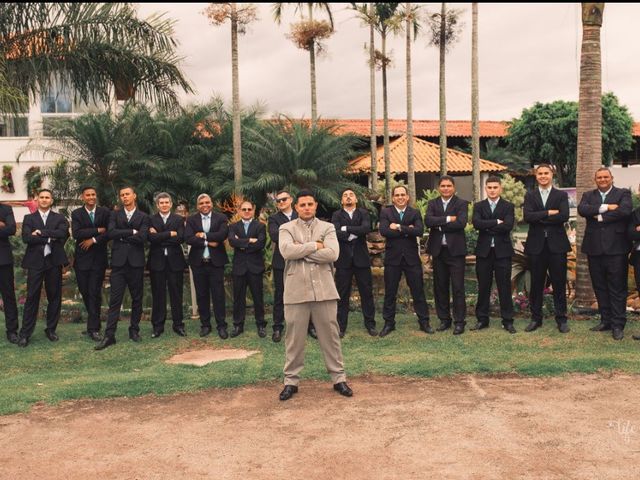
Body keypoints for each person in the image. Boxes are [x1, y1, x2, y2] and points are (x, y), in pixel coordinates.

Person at [278, 190, 352, 401]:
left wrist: (302, 251)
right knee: (294, 339)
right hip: (295, 291)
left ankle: (339, 378)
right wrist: (314, 247)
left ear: (316, 205)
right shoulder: (286, 227)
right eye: (302, 205)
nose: (307, 207)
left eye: (310, 204)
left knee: (331, 337)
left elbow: (332, 254)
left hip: (324, 291)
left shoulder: (327, 227)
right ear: (296, 207)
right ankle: (291, 382)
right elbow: (286, 252)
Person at [578, 168, 632, 340]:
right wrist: (606, 207)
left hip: (616, 249)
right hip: (594, 248)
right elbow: (583, 210)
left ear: (611, 178)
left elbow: (624, 211)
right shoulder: (588, 195)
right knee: (599, 286)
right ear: (595, 179)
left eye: (605, 177)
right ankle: (606, 320)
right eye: (599, 177)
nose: (602, 179)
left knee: (617, 288)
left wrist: (599, 216)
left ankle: (618, 324)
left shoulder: (623, 193)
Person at [95, 186, 149, 350]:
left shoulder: (144, 217)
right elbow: (111, 233)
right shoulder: (114, 215)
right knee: (114, 301)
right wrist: (132, 231)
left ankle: (134, 330)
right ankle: (109, 335)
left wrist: (123, 235)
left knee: (137, 299)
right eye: (122, 195)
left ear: (135, 196)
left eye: (127, 194)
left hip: (136, 263)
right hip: (118, 264)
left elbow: (143, 238)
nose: (124, 197)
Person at [522, 164, 571, 333]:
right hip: (536, 246)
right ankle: (536, 319)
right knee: (536, 284)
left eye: (546, 173)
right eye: (540, 173)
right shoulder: (530, 195)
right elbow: (528, 217)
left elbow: (563, 216)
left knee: (559, 282)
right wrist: (549, 213)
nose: (543, 176)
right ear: (536, 176)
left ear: (552, 175)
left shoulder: (561, 195)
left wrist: (540, 217)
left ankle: (561, 319)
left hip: (557, 245)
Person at [379, 185, 432, 337]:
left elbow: (419, 231)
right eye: (397, 195)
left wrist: (398, 227)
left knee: (418, 291)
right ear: (393, 198)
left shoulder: (414, 212)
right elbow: (384, 231)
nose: (400, 197)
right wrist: (408, 229)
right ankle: (389, 323)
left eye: (403, 194)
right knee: (390, 293)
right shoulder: (386, 212)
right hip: (392, 259)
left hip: (412, 259)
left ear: (407, 197)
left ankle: (424, 322)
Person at [18, 189, 69, 347]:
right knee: (32, 296)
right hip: (35, 262)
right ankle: (25, 333)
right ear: (37, 200)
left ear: (52, 200)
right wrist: (50, 237)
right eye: (42, 197)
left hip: (54, 262)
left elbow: (62, 234)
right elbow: (27, 238)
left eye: (47, 197)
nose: (45, 200)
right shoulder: (28, 218)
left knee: (54, 297)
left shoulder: (60, 217)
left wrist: (40, 233)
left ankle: (51, 330)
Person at [425, 176, 469, 335]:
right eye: (443, 186)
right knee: (440, 287)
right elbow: (428, 221)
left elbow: (461, 223)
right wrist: (449, 218)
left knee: (458, 287)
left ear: (454, 187)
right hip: (438, 251)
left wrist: (439, 225)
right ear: (438, 188)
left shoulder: (461, 203)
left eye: (448, 186)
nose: (445, 188)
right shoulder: (433, 203)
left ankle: (459, 321)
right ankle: (444, 319)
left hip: (456, 252)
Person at [471, 176, 516, 333]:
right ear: (486, 189)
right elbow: (477, 224)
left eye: (495, 187)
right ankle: (482, 320)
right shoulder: (478, 206)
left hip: (502, 253)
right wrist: (497, 222)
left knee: (504, 287)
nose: (492, 190)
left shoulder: (508, 206)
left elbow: (508, 226)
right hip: (484, 252)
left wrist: (487, 226)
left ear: (500, 189)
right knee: (483, 287)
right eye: (489, 187)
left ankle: (508, 321)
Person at [331, 188, 377, 337]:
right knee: (342, 294)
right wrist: (352, 233)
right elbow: (335, 233)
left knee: (367, 293)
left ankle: (370, 324)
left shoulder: (363, 213)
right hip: (343, 260)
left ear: (356, 199)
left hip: (361, 259)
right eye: (345, 195)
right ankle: (341, 326)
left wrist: (347, 229)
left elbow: (366, 229)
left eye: (351, 195)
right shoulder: (337, 215)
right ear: (342, 201)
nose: (348, 197)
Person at [185, 193, 229, 339]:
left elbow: (222, 235)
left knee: (218, 295)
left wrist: (202, 235)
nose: (205, 205)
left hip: (216, 263)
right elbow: (189, 239)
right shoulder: (191, 220)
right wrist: (209, 241)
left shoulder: (221, 218)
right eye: (201, 203)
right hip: (198, 263)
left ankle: (221, 326)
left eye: (207, 202)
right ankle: (205, 325)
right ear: (198, 206)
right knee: (202, 295)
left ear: (211, 203)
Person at [71, 186, 110, 342]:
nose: (91, 197)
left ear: (96, 196)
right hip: (81, 260)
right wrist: (97, 230)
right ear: (83, 197)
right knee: (85, 292)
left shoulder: (105, 212)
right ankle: (94, 323)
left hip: (98, 260)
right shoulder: (76, 213)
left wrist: (93, 239)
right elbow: (76, 233)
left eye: (93, 194)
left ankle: (93, 329)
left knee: (94, 292)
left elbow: (108, 232)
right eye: (88, 195)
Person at [147, 192, 188, 338]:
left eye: (166, 202)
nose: (164, 205)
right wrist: (170, 234)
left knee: (176, 294)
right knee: (158, 294)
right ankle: (158, 326)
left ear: (171, 204)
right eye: (161, 203)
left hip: (175, 262)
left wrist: (159, 236)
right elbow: (150, 239)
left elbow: (181, 238)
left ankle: (178, 325)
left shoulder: (178, 219)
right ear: (157, 205)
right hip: (156, 262)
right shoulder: (151, 219)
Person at [268, 190, 304, 342]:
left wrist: (289, 237)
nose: (281, 202)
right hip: (281, 261)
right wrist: (294, 239)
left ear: (291, 200)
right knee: (280, 294)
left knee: (303, 293)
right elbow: (275, 236)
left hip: (302, 259)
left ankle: (308, 326)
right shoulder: (273, 218)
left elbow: (307, 233)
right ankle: (277, 327)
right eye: (278, 201)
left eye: (284, 199)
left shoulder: (301, 214)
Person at [228, 200, 267, 338]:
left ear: (253, 210)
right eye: (243, 209)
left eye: (249, 209)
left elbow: (260, 244)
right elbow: (232, 242)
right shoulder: (233, 226)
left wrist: (242, 242)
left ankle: (261, 324)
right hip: (239, 267)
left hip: (255, 267)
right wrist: (250, 240)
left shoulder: (260, 226)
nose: (246, 211)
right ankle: (238, 325)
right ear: (239, 211)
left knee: (258, 298)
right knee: (238, 298)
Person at [0, 202, 19, 344]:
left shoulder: (6, 209)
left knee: (8, 295)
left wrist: (5, 226)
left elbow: (12, 229)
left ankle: (12, 331)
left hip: (3, 259)